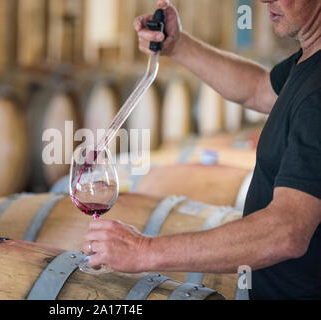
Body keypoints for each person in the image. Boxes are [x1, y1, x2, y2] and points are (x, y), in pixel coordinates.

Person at [83, 0, 321, 300]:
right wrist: (178, 45)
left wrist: (143, 251)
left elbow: (286, 231)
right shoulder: (308, 61)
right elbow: (257, 88)